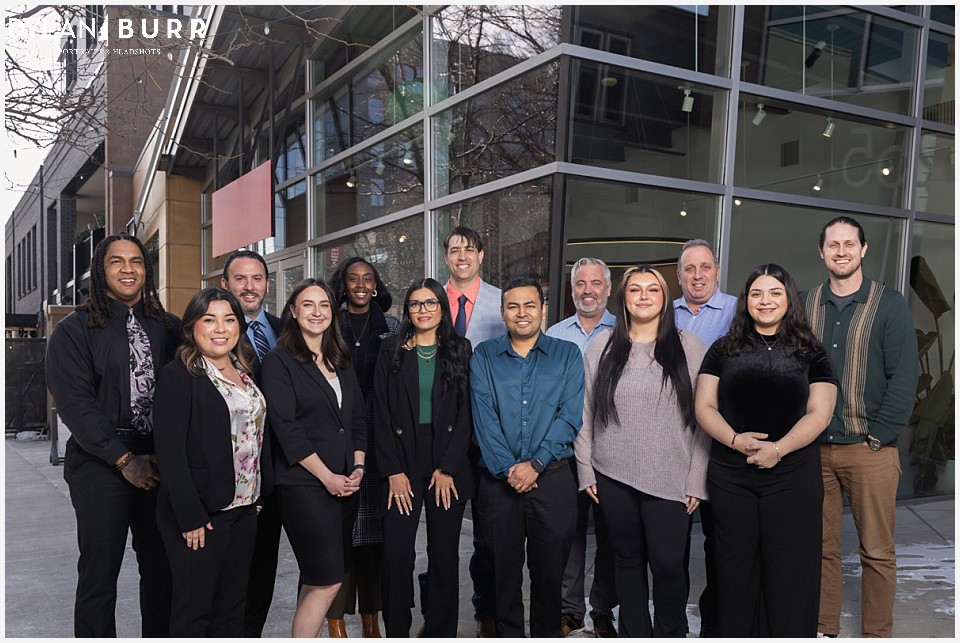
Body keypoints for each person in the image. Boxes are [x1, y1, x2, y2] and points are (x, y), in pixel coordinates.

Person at [45, 232, 179, 637]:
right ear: (100, 270)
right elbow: (76, 405)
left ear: (146, 269)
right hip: (100, 462)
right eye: (116, 261)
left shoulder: (168, 327)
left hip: (159, 459)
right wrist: (123, 459)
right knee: (99, 574)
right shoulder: (74, 330)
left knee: (162, 570)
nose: (127, 269)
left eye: (136, 261)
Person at [695, 264, 838, 637]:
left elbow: (820, 413)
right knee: (734, 568)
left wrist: (779, 448)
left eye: (775, 293)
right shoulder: (723, 349)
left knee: (790, 570)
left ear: (789, 299)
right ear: (746, 301)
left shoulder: (812, 352)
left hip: (793, 476)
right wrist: (734, 440)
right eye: (756, 293)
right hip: (731, 476)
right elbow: (704, 406)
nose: (765, 301)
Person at [575, 265, 709, 637]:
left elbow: (707, 418)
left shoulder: (688, 347)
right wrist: (586, 470)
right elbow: (583, 414)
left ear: (665, 299)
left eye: (653, 289)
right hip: (612, 475)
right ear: (623, 298)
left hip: (671, 476)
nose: (644, 296)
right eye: (635, 289)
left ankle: (671, 633)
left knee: (668, 565)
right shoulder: (602, 347)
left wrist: (697, 479)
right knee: (627, 563)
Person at [803, 217, 918, 638]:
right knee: (821, 548)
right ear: (822, 251)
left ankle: (876, 633)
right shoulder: (806, 303)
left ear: (863, 249)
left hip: (869, 449)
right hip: (814, 450)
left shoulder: (889, 304)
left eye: (849, 244)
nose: (841, 251)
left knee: (877, 551)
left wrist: (880, 435)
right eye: (833, 244)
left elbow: (904, 375)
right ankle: (824, 628)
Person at [470, 277, 584, 638]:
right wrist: (510, 469)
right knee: (501, 578)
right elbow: (484, 418)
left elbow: (570, 416)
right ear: (503, 312)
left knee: (550, 578)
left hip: (553, 480)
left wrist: (535, 464)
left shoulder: (567, 355)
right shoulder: (484, 356)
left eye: (530, 305)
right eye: (513, 306)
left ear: (543, 310)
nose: (522, 313)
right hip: (498, 484)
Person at [153, 287, 268, 636]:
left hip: (244, 508)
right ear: (192, 327)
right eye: (209, 320)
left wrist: (258, 497)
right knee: (194, 612)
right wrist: (190, 517)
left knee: (232, 610)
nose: (221, 329)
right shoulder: (179, 375)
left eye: (229, 320)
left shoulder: (245, 371)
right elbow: (170, 453)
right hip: (201, 515)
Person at [259, 278, 367, 638]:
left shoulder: (341, 358)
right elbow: (286, 428)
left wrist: (358, 466)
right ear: (293, 311)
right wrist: (327, 477)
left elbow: (356, 419)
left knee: (318, 577)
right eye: (308, 304)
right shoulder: (279, 361)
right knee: (328, 579)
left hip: (346, 484)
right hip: (304, 485)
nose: (317, 312)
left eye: (324, 305)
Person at [374, 278, 474, 637]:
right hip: (401, 459)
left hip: (447, 459)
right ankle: (397, 631)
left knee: (444, 554)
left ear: (442, 309)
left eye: (430, 303)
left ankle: (439, 631)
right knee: (397, 554)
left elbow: (467, 414)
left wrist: (449, 467)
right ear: (408, 310)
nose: (423, 310)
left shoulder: (460, 348)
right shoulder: (391, 349)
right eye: (415, 304)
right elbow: (380, 412)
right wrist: (392, 470)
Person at [420, 225, 504, 637]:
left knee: (488, 533)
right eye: (454, 250)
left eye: (470, 249)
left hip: (486, 432)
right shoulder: (430, 300)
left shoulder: (501, 303)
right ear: (446, 257)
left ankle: (485, 611)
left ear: (482, 255)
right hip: (439, 436)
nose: (462, 256)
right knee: (439, 537)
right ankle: (435, 618)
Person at [324, 257, 401, 638]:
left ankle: (372, 620)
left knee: (374, 537)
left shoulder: (392, 326)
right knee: (336, 535)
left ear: (375, 285)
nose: (360, 284)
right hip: (336, 438)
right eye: (353, 278)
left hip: (380, 436)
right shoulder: (328, 323)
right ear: (343, 284)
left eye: (367, 279)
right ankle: (335, 620)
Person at [546, 257, 618, 638]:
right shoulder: (555, 335)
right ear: (572, 290)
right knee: (568, 535)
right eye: (580, 284)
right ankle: (570, 611)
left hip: (612, 453)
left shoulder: (625, 332)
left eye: (595, 283)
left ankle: (603, 610)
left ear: (608, 289)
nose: (588, 291)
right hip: (565, 453)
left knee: (611, 535)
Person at [671, 239, 737, 637]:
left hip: (721, 440)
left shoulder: (737, 312)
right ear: (679, 275)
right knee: (673, 539)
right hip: (676, 439)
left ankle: (715, 621)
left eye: (705, 267)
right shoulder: (665, 313)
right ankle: (674, 621)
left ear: (717, 271)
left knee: (720, 538)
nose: (698, 276)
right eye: (689, 269)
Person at [219, 249, 284, 638]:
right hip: (230, 475)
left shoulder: (284, 328)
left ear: (267, 284)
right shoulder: (212, 331)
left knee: (262, 571)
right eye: (240, 279)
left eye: (256, 278)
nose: (249, 286)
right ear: (225, 284)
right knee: (228, 577)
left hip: (278, 470)